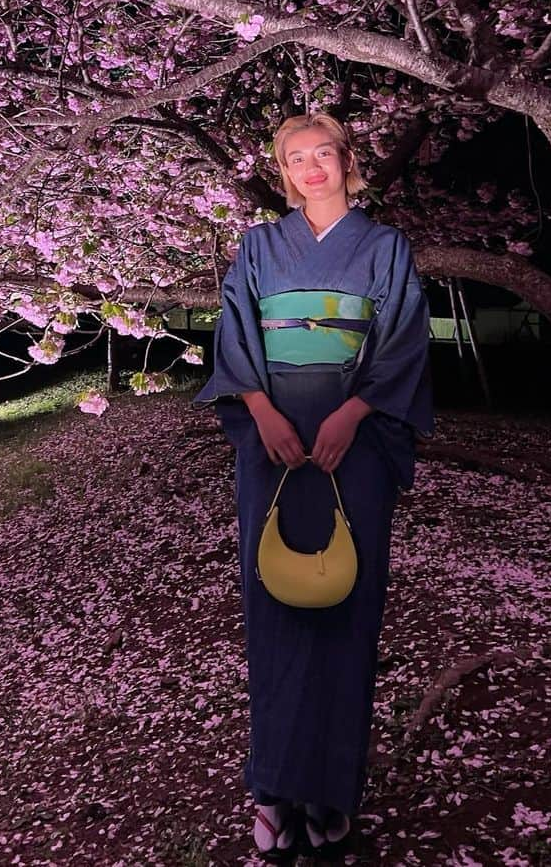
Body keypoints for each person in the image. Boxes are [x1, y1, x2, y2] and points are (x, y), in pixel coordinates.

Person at [194, 112, 434, 860]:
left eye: (322, 153)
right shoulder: (260, 245)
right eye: (295, 158)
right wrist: (260, 409)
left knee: (349, 608)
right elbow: (236, 334)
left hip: (352, 444)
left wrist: (356, 412)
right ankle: (272, 791)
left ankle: (331, 790)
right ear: (284, 171)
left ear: (346, 159)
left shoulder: (385, 247)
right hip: (274, 441)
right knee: (273, 611)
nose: (310, 167)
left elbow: (402, 341)